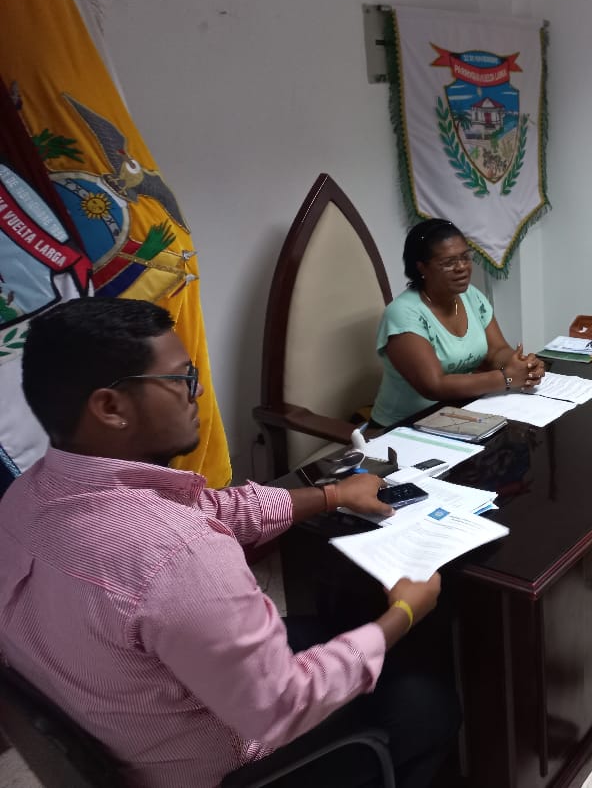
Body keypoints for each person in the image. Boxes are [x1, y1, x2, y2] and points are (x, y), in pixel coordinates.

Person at [0, 298, 458, 788]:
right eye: (181, 379)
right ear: (111, 408)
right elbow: (283, 706)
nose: (196, 392)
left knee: (331, 627)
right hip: (228, 766)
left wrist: (332, 494)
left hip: (120, 722)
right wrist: (403, 613)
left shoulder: (24, 497)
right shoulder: (179, 554)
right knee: (426, 701)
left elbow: (212, 508)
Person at [370, 219, 544, 428]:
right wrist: (506, 378)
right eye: (448, 263)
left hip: (458, 413)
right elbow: (434, 386)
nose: (461, 267)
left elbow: (496, 351)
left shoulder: (471, 296)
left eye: (465, 257)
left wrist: (522, 366)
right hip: (404, 426)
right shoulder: (403, 314)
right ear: (422, 267)